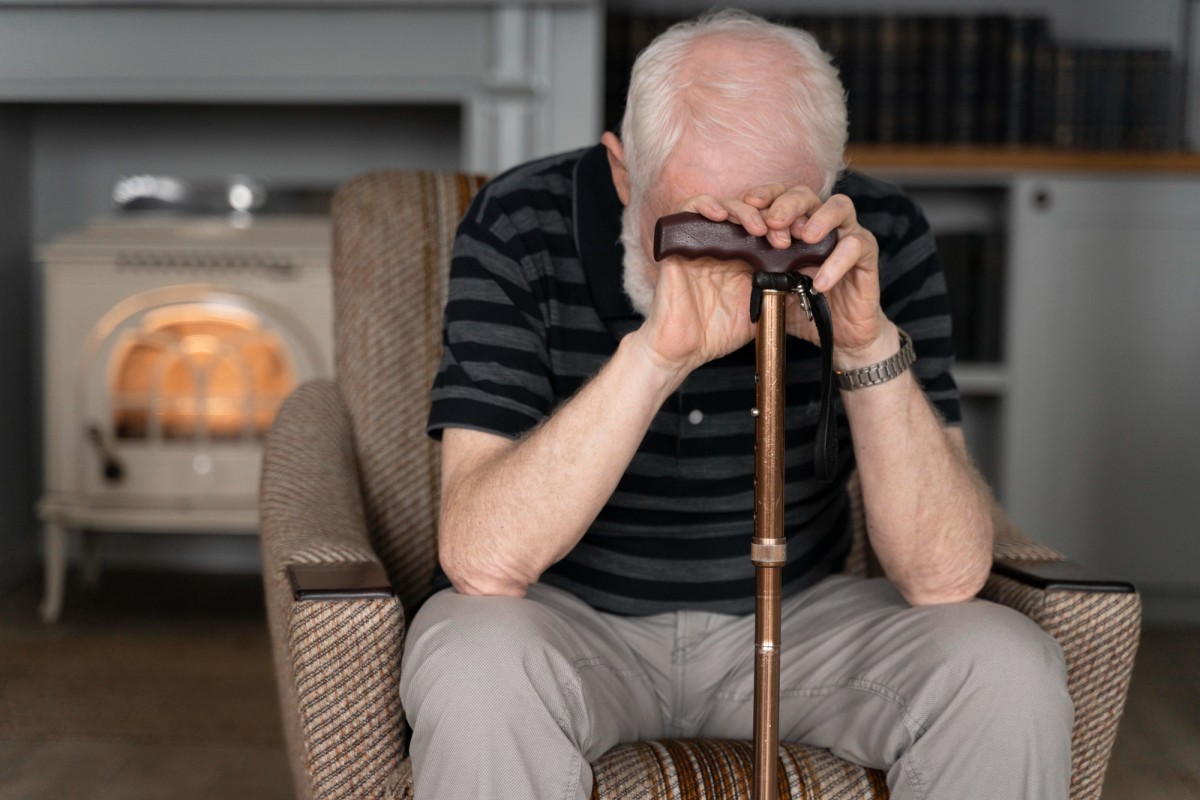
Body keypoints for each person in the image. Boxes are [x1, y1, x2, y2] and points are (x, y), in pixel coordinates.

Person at [401, 10, 1072, 799]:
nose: (736, 260)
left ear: (829, 186)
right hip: (569, 620)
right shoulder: (519, 224)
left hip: (803, 619)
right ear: (623, 175)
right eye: (695, 224)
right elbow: (481, 560)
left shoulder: (877, 236)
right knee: (471, 664)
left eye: (770, 227)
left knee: (1006, 671)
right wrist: (657, 356)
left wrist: (863, 346)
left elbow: (945, 577)